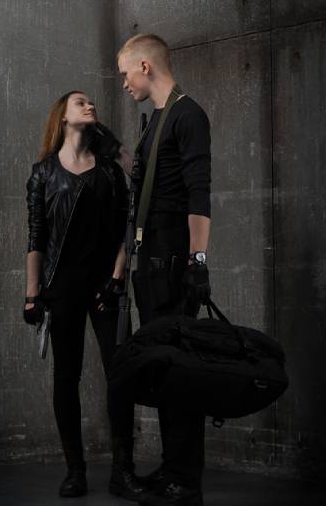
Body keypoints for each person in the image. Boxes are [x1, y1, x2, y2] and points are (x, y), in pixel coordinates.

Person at [23, 91, 147, 500]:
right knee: (66, 376)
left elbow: (126, 225)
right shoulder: (43, 173)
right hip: (62, 289)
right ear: (62, 116)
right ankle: (74, 470)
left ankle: (122, 471)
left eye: (93, 102)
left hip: (104, 287)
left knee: (121, 374)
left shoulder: (110, 171)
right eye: (80, 102)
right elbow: (36, 238)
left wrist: (116, 278)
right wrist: (32, 295)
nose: (90, 104)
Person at [116, 34, 213, 506]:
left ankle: (185, 481)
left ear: (145, 66)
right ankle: (174, 468)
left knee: (181, 374)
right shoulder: (156, 120)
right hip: (150, 265)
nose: (124, 83)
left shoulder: (187, 114)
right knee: (164, 371)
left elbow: (198, 194)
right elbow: (156, 183)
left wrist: (198, 262)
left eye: (125, 73)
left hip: (175, 265)